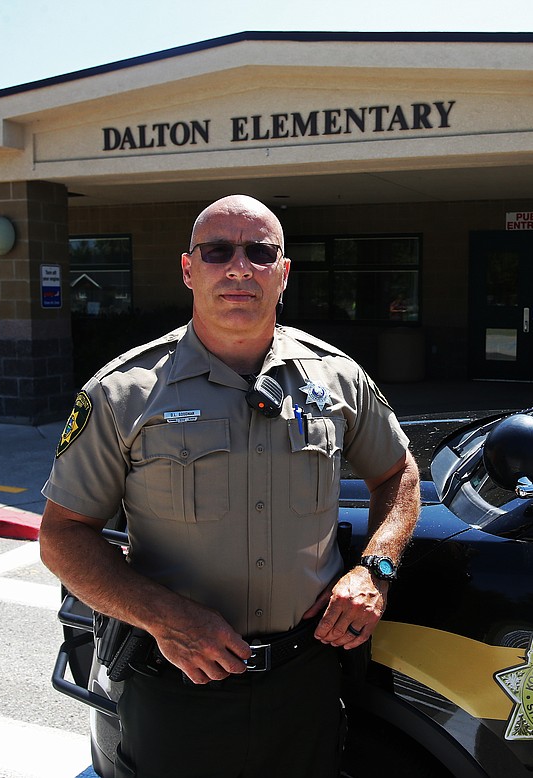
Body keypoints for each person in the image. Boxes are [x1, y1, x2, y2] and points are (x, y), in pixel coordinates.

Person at [39, 194, 421, 778]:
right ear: (189, 269)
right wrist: (165, 617)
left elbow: (398, 475)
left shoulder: (337, 378)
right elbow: (63, 536)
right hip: (176, 681)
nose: (239, 267)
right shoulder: (125, 392)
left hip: (308, 676)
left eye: (260, 252)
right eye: (217, 251)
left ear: (284, 272)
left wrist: (375, 568)